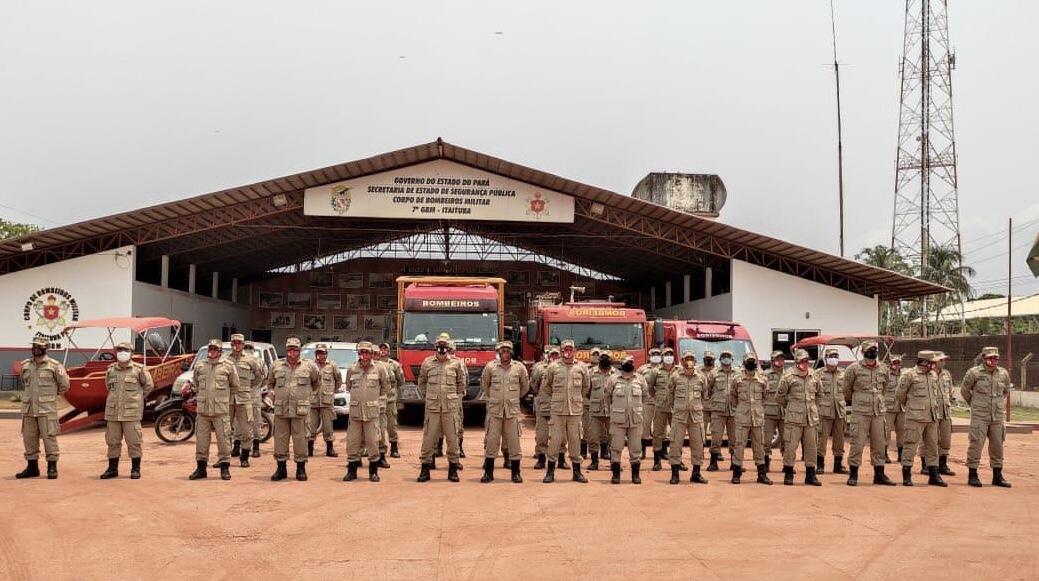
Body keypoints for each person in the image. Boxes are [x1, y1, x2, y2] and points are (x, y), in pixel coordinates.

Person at [15, 337, 70, 480]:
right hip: (29, 409)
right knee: (29, 438)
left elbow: (65, 385)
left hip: (47, 410)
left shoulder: (54, 366)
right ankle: (32, 468)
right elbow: (24, 382)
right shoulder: (25, 365)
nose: (36, 349)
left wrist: (50, 396)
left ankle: (52, 467)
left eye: (39, 347)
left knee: (49, 438)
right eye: (34, 346)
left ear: (46, 348)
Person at [842, 340, 895, 486]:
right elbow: (846, 389)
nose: (873, 352)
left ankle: (879, 474)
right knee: (857, 443)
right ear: (863, 352)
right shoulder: (853, 369)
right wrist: (857, 400)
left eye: (874, 349)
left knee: (879, 443)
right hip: (860, 412)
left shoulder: (883, 368)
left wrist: (878, 400)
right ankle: (853, 474)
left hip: (878, 412)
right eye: (869, 350)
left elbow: (884, 388)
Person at [268, 337, 320, 482]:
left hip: (300, 410)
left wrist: (306, 396)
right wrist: (273, 393)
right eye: (290, 349)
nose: (292, 352)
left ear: (299, 351)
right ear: (286, 350)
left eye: (295, 349)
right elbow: (270, 383)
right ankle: (281, 468)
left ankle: (301, 468)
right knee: (280, 439)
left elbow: (316, 383)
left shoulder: (308, 366)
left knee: (301, 439)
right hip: (281, 409)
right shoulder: (276, 365)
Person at [417, 333, 467, 482]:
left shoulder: (456, 364)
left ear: (448, 348)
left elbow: (461, 383)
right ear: (435, 347)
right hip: (432, 408)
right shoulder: (427, 363)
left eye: (444, 346)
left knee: (452, 439)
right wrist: (431, 396)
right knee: (428, 439)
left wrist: (453, 397)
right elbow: (422, 383)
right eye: (439, 346)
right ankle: (425, 469)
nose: (442, 349)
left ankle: (453, 469)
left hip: (450, 408)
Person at [100, 342, 154, 480]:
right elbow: (108, 387)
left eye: (125, 350)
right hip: (113, 413)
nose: (122, 352)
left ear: (131, 353)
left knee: (134, 441)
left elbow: (149, 386)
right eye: (119, 350)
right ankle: (112, 469)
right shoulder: (111, 370)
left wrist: (137, 398)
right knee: (112, 441)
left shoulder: (139, 369)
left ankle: (135, 469)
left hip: (131, 413)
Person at [189, 339, 240, 481]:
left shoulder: (228, 366)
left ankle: (224, 468)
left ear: (220, 351)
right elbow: (196, 383)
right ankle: (201, 469)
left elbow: (235, 386)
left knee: (224, 440)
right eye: (210, 348)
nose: (212, 351)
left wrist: (223, 398)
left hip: (220, 411)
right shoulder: (200, 366)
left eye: (215, 349)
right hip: (203, 411)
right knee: (201, 441)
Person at [479, 341, 530, 483]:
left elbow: (525, 387)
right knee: (492, 441)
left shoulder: (519, 368)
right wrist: (496, 398)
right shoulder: (491, 367)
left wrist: (512, 398)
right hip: (495, 411)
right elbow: (485, 385)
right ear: (499, 353)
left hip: (512, 411)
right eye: (502, 351)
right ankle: (488, 473)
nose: (505, 354)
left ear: (511, 353)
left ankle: (516, 473)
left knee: (514, 443)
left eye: (508, 351)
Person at [961, 346, 1012, 488]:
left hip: (997, 416)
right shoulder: (974, 373)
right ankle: (973, 475)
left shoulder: (1003, 373)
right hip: (980, 415)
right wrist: (975, 404)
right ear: (983, 358)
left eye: (996, 358)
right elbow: (965, 391)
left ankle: (997, 476)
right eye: (990, 358)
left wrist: (996, 404)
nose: (993, 360)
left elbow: (1005, 391)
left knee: (997, 445)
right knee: (976, 444)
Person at [542, 339, 591, 483]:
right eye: (565, 350)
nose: (567, 352)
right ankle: (550, 472)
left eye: (570, 350)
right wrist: (558, 398)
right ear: (561, 351)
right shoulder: (553, 367)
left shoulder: (582, 367)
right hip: (558, 410)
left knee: (575, 441)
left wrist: (575, 398)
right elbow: (547, 386)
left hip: (575, 411)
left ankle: (577, 472)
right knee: (555, 441)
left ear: (574, 351)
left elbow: (586, 387)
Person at [343, 342, 391, 482]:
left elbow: (385, 387)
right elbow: (349, 386)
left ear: (371, 354)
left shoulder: (379, 369)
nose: (364, 356)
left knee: (373, 442)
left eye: (366, 353)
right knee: (353, 442)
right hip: (355, 412)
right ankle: (352, 471)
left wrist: (372, 399)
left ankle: (373, 472)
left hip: (372, 413)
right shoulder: (352, 369)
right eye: (361, 353)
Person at [896, 350, 945, 487]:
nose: (935, 364)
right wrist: (912, 407)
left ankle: (934, 475)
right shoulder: (909, 375)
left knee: (933, 446)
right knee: (910, 444)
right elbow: (900, 395)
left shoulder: (933, 375)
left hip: (931, 416)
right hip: (915, 417)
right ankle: (907, 474)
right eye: (932, 362)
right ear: (924, 362)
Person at [776, 349, 822, 486]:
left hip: (810, 418)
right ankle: (789, 474)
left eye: (807, 360)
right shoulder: (788, 376)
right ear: (796, 362)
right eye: (802, 360)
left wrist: (813, 407)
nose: (805, 363)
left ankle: (810, 475)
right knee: (790, 447)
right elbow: (779, 397)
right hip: (794, 418)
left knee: (811, 447)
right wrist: (791, 406)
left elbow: (820, 394)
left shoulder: (814, 375)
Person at [729, 353, 772, 485]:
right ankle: (736, 474)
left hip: (757, 417)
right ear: (744, 363)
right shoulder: (737, 379)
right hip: (742, 417)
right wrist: (741, 408)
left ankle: (761, 474)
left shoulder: (762, 380)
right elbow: (733, 397)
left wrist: (757, 408)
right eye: (748, 361)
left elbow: (765, 397)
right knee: (739, 445)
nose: (751, 364)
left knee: (759, 446)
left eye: (753, 361)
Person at [667, 351, 709, 485]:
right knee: (675, 444)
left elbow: (705, 395)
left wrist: (697, 407)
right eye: (686, 359)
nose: (689, 361)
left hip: (696, 416)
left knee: (698, 445)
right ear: (682, 361)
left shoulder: (701, 377)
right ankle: (675, 474)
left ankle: (696, 474)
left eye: (691, 359)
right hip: (679, 416)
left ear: (695, 362)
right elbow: (670, 394)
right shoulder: (675, 376)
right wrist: (675, 408)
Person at [604, 355, 646, 484]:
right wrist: (613, 410)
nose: (629, 364)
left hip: (635, 419)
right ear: (622, 364)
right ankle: (616, 475)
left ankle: (635, 475)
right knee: (616, 447)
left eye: (631, 362)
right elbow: (607, 397)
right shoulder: (613, 379)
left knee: (636, 448)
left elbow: (645, 396)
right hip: (618, 419)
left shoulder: (640, 379)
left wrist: (636, 409)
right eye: (627, 362)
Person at [228, 334, 264, 467]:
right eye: (234, 343)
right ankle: (225, 457)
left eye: (240, 343)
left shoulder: (252, 360)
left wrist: (248, 387)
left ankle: (245, 456)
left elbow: (260, 376)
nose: (236, 345)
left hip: (246, 398)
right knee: (225, 429)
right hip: (229, 399)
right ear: (231, 344)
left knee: (248, 428)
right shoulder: (225, 359)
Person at [307, 343, 341, 459]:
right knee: (311, 426)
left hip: (327, 401)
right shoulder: (310, 366)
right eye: (318, 353)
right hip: (313, 401)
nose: (320, 355)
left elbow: (338, 381)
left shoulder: (332, 366)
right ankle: (309, 448)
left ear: (326, 354)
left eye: (322, 353)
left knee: (328, 426)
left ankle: (330, 448)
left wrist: (331, 391)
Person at [816, 348, 847, 474]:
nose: (834, 359)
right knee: (821, 438)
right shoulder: (818, 374)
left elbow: (849, 389)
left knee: (840, 438)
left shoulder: (843, 373)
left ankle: (838, 465)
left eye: (836, 356)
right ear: (825, 358)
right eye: (831, 356)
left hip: (839, 410)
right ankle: (820, 465)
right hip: (824, 410)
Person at [706, 349, 737, 472]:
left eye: (728, 356)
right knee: (716, 437)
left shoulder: (738, 373)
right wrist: (714, 402)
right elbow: (707, 390)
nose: (726, 359)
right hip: (718, 412)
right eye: (724, 356)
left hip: (733, 411)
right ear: (720, 359)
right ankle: (713, 463)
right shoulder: (713, 373)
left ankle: (734, 463)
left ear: (732, 359)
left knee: (734, 439)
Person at [647, 346, 677, 471]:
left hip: (675, 407)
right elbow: (650, 387)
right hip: (660, 407)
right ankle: (657, 461)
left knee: (676, 434)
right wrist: (657, 397)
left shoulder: (679, 371)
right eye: (666, 354)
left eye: (671, 354)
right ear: (662, 357)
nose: (668, 357)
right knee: (658, 434)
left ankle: (677, 460)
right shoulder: (656, 371)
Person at [531, 346, 561, 469]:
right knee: (542, 434)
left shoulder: (564, 369)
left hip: (559, 407)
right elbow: (534, 385)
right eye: (551, 354)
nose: (553, 357)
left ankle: (561, 459)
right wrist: (541, 396)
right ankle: (541, 459)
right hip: (543, 405)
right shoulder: (539, 369)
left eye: (556, 354)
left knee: (560, 435)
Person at [586, 352, 617, 470]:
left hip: (611, 411)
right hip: (595, 411)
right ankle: (594, 462)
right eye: (602, 357)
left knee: (614, 437)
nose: (604, 359)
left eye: (607, 357)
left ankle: (615, 462)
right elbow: (586, 390)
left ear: (611, 360)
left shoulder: (616, 374)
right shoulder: (591, 373)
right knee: (593, 437)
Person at [377, 342, 405, 458]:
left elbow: (401, 381)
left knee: (391, 425)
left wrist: (392, 392)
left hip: (390, 400)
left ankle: (394, 448)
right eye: (381, 349)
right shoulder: (374, 364)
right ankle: (376, 449)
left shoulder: (395, 365)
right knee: (377, 426)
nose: (383, 351)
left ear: (389, 352)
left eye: (385, 349)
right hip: (377, 400)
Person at [933, 351, 956, 477]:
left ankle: (943, 464)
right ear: (934, 361)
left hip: (945, 411)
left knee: (945, 439)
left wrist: (950, 400)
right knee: (930, 440)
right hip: (932, 412)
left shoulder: (946, 374)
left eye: (944, 360)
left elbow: (950, 390)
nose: (943, 362)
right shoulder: (928, 373)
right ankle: (927, 465)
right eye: (941, 360)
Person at [637, 346, 662, 461]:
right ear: (649, 356)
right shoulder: (642, 369)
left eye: (658, 354)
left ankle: (662, 451)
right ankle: (642, 451)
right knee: (644, 427)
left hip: (661, 402)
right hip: (647, 401)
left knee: (661, 428)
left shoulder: (665, 369)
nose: (656, 356)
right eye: (653, 354)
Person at [763, 351, 787, 472]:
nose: (780, 362)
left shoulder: (789, 375)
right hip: (769, 412)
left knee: (787, 440)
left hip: (785, 413)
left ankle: (787, 464)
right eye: (777, 360)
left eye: (782, 359)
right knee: (766, 440)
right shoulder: (765, 375)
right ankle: (765, 462)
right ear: (772, 361)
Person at [882, 354, 905, 464]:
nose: (897, 365)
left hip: (901, 407)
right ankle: (884, 454)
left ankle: (901, 454)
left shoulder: (904, 375)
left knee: (902, 431)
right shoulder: (886, 375)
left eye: (898, 363)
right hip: (889, 407)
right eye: (895, 363)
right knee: (886, 431)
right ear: (890, 364)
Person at [243, 341, 264, 458]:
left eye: (249, 347)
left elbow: (264, 377)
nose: (247, 349)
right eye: (246, 347)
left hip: (254, 394)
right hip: (241, 394)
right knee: (239, 422)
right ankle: (237, 446)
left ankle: (256, 447)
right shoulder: (238, 361)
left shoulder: (259, 362)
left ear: (253, 349)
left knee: (256, 421)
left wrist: (256, 386)